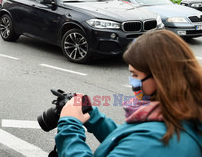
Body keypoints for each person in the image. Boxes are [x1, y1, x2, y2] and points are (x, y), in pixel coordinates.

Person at [55, 30, 202, 156]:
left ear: (160, 76)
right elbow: (129, 141)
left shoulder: (158, 141)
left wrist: (69, 126)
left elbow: (140, 144)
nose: (132, 82)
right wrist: (93, 116)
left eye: (135, 75)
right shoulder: (180, 111)